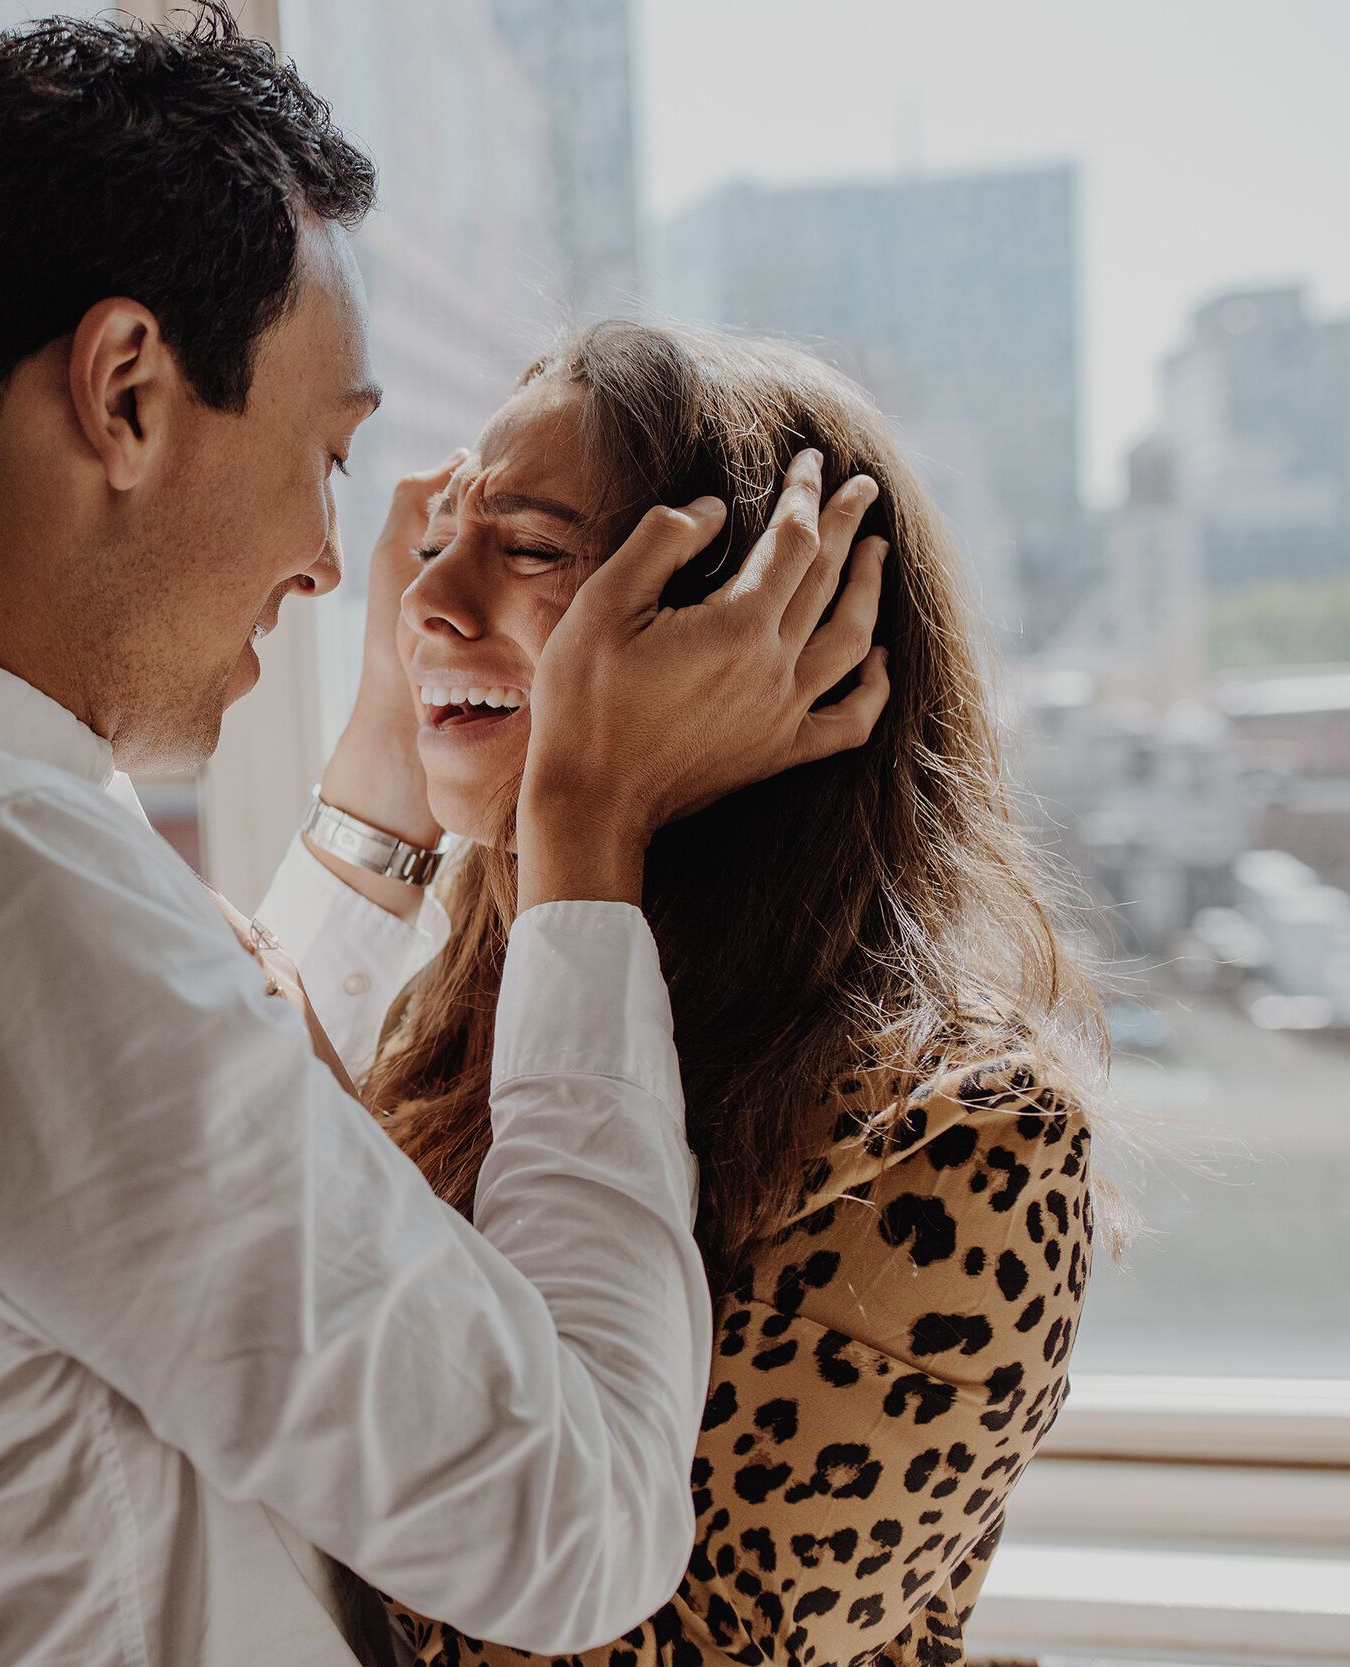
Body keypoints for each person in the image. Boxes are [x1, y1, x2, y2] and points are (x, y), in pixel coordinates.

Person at [0, 11, 887, 1663]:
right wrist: (587, 829)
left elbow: (138, 1176)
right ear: (127, 392)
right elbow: (581, 1519)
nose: (341, 563)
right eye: (327, 455)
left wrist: (388, 795)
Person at [254, 321, 1100, 1667]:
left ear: (776, 638)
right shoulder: (463, 1018)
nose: (427, 601)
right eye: (437, 542)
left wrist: (590, 810)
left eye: (528, 549)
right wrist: (385, 766)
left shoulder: (962, 1135)